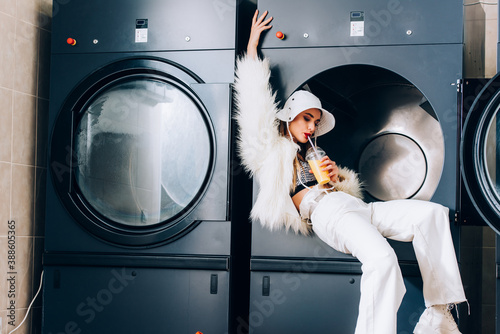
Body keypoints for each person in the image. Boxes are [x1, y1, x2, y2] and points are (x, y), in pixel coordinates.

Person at [233, 9, 467, 334]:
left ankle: (438, 314)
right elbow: (253, 104)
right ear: (289, 118)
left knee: (433, 215)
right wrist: (252, 44)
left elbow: (345, 190)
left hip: (358, 208)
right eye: (306, 118)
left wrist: (338, 178)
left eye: (316, 121)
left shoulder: (316, 152)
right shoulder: (270, 151)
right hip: (328, 213)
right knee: (383, 262)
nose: (312, 126)